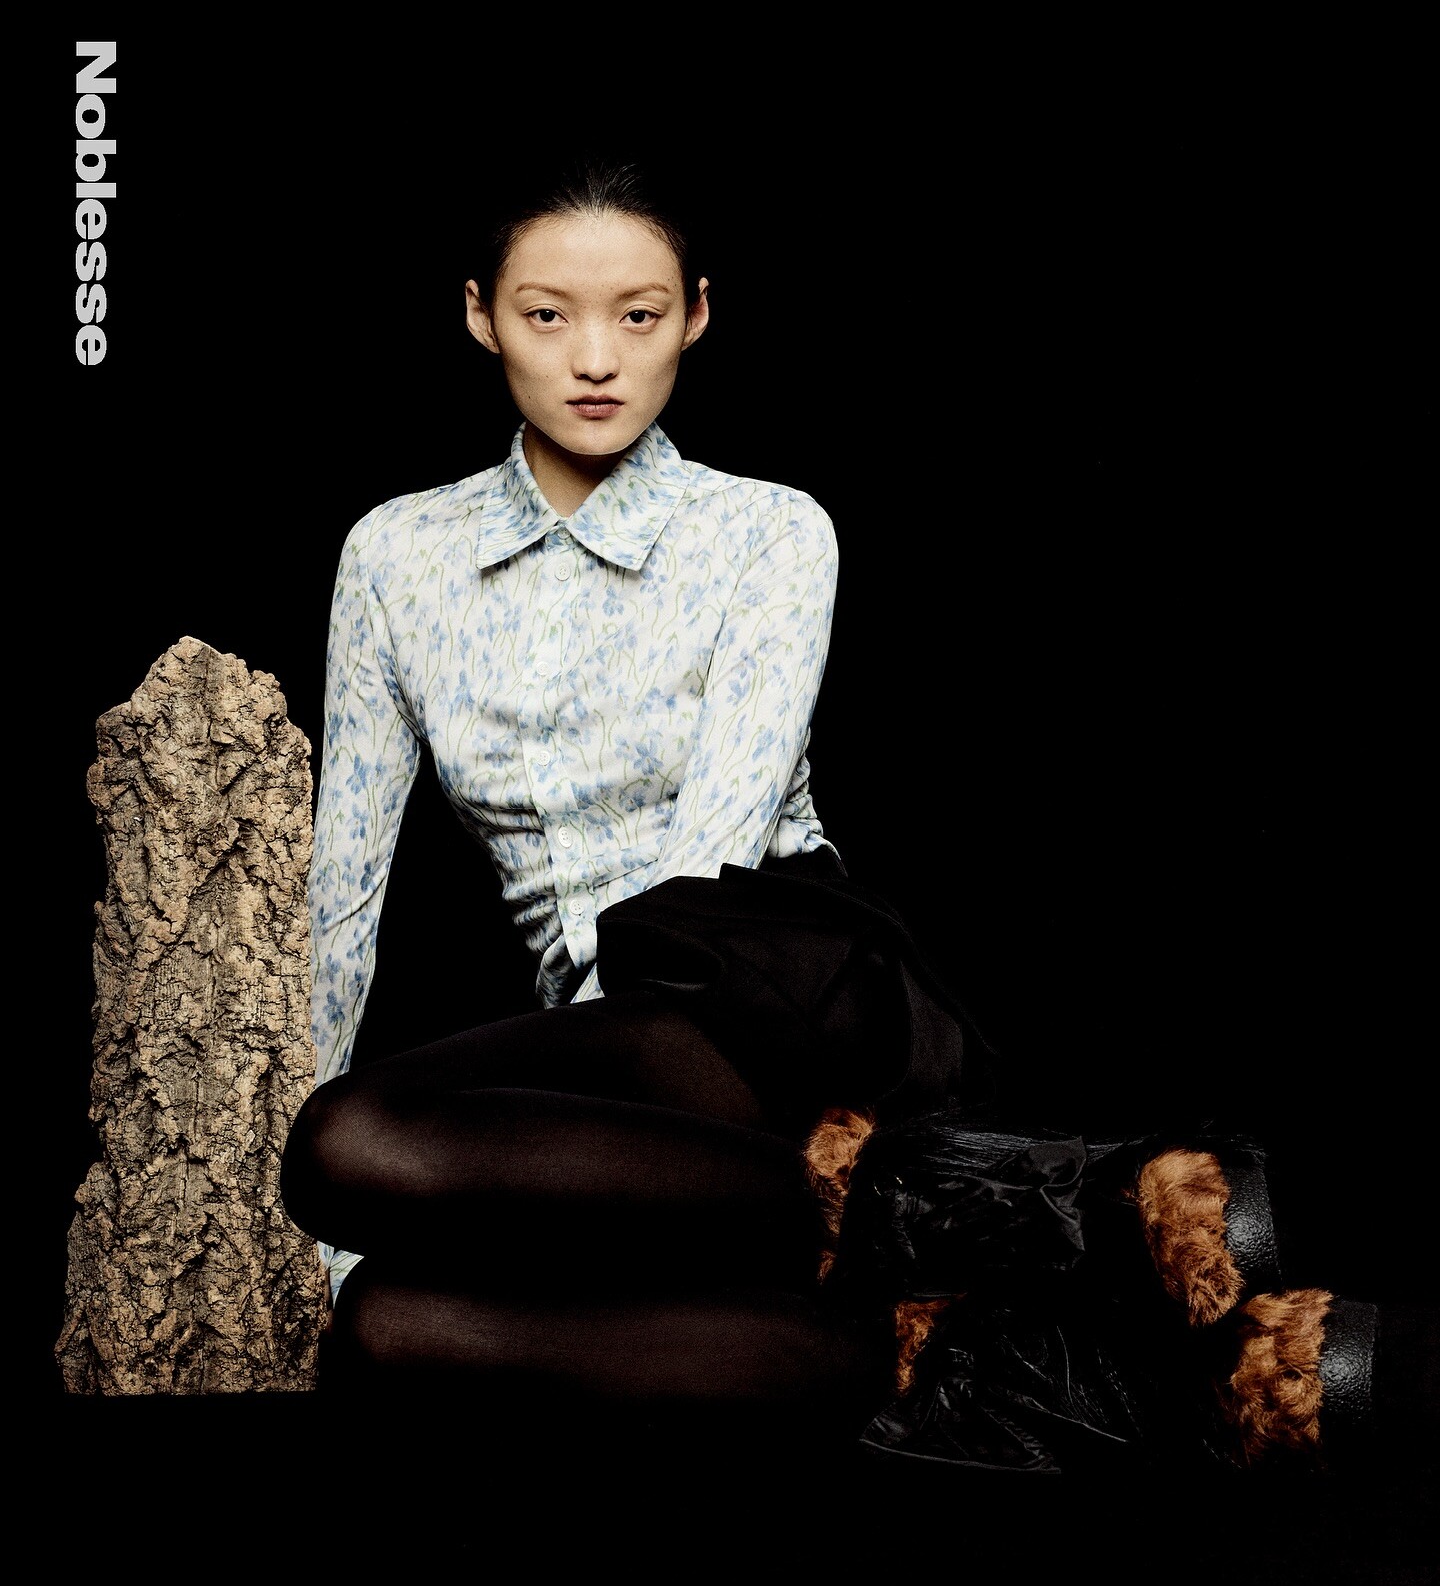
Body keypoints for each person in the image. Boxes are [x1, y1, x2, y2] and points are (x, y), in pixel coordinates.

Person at [278, 153, 1431, 1471]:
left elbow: (699, 867)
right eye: (549, 315)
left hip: (769, 982)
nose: (595, 358)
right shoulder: (396, 555)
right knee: (385, 1328)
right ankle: (1121, 1370)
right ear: (481, 315)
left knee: (352, 1136)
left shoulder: (767, 531)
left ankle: (1050, 1205)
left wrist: (555, 1135)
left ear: (695, 316)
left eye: (638, 315)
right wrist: (347, 1226)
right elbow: (343, 891)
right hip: (614, 1062)